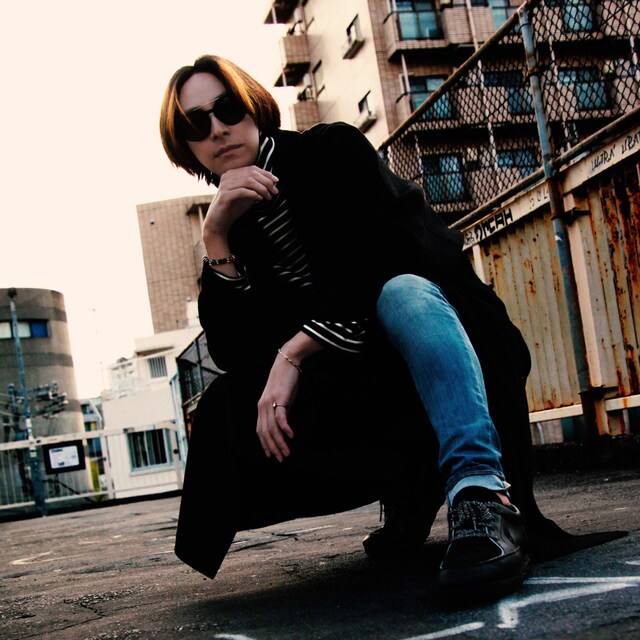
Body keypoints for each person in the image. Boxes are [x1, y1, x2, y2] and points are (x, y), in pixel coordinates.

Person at [159, 54, 624, 600]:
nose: (217, 129)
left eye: (228, 109)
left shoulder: (328, 152)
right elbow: (234, 351)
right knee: (229, 405)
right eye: (196, 124)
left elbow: (389, 259)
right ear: (185, 147)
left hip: (432, 338)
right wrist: (216, 237)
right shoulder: (230, 223)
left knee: (401, 293)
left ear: (254, 107)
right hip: (350, 375)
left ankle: (482, 497)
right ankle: (412, 485)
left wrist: (293, 352)